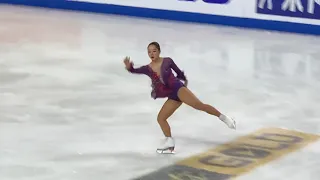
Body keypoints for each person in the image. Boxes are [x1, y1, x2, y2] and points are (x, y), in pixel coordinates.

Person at [123, 42, 236, 153]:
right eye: (149, 52)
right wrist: (129, 67)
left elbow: (179, 73)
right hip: (172, 95)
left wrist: (183, 85)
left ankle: (225, 118)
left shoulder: (167, 61)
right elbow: (134, 70)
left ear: (159, 51)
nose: (151, 54)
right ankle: (170, 142)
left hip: (178, 89)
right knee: (161, 118)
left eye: (154, 51)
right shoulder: (148, 68)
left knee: (199, 106)